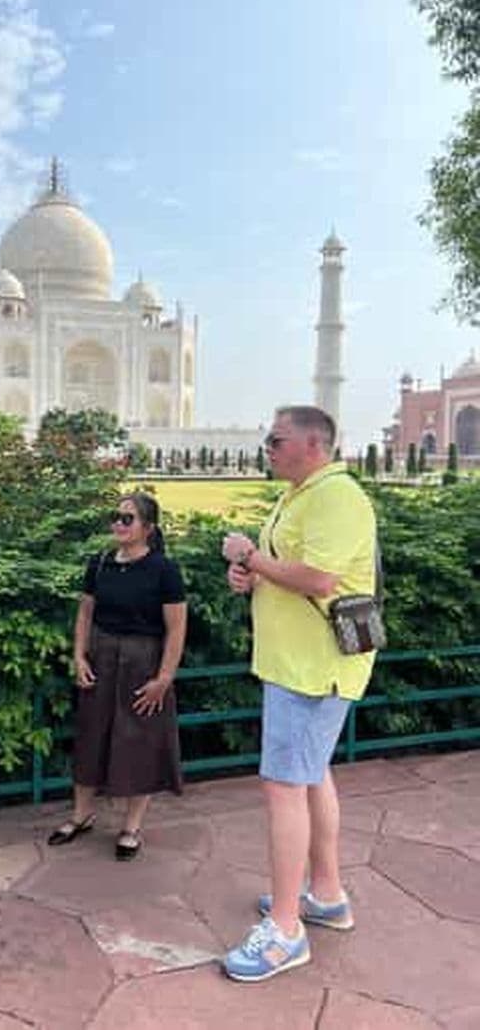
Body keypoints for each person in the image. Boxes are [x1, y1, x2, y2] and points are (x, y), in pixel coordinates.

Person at [220, 405, 378, 981]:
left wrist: (250, 555)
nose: (267, 445)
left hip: (313, 669)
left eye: (276, 438)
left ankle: (286, 931)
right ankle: (326, 896)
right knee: (310, 777)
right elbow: (291, 571)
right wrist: (252, 575)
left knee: (284, 784)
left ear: (313, 445)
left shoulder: (336, 496)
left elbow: (320, 579)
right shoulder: (301, 495)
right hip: (297, 664)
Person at [48, 492, 187, 860]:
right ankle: (81, 815)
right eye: (116, 516)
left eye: (128, 519)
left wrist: (164, 678)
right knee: (91, 735)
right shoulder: (100, 563)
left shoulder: (164, 570)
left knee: (138, 739)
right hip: (102, 657)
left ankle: (131, 826)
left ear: (148, 528)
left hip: (144, 662)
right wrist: (79, 656)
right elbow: (84, 614)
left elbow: (176, 629)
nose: (119, 524)